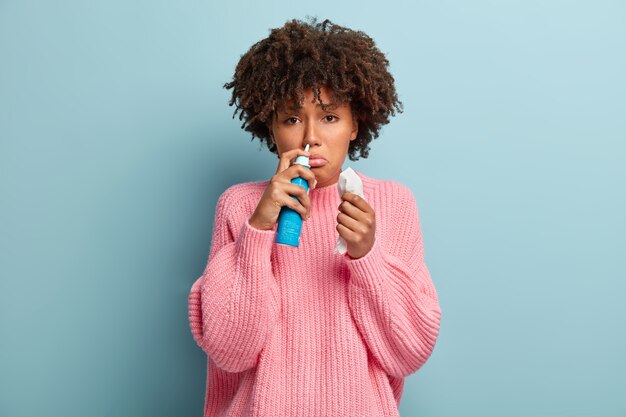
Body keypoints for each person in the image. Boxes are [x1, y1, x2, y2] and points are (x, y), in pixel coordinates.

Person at [188, 16, 441, 417]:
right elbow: (230, 350)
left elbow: (408, 352)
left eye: (329, 117)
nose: (310, 136)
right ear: (269, 126)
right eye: (291, 118)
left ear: (355, 124)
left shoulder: (392, 204)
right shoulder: (239, 206)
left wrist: (367, 256)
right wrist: (258, 230)